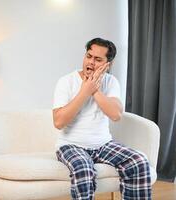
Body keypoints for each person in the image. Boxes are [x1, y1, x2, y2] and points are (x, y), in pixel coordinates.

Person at [52, 38, 151, 200]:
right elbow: (58, 122)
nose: (91, 62)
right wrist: (84, 91)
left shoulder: (111, 82)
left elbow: (116, 115)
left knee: (138, 161)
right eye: (89, 56)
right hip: (70, 145)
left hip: (103, 144)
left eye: (98, 59)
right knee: (83, 169)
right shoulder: (66, 81)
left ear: (108, 64)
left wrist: (94, 90)